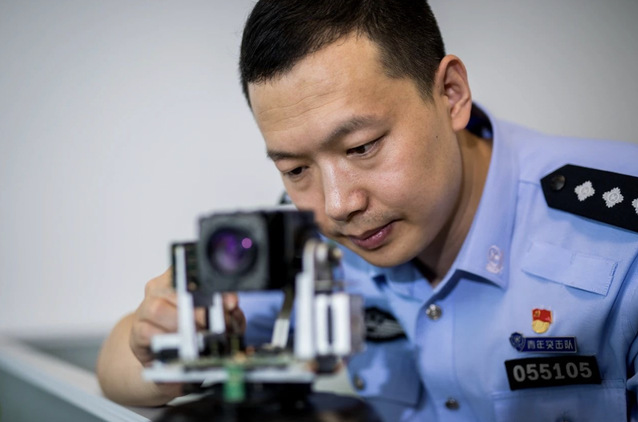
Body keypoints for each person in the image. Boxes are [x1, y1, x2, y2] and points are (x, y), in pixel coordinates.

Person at [97, 0, 638, 420]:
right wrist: (164, 350)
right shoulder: (302, 237)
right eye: (295, 169)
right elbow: (113, 366)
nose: (338, 207)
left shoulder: (619, 228)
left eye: (361, 147)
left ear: (451, 94)